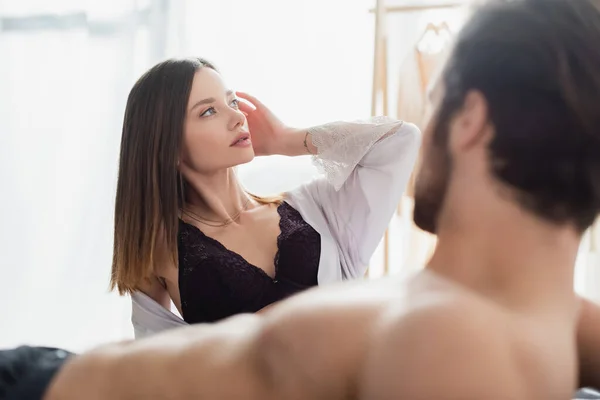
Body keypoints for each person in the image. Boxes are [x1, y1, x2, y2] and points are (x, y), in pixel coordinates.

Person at [4, 0, 600, 398]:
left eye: (437, 93)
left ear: (470, 119)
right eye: (210, 109)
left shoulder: (438, 334)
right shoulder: (555, 316)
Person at [110, 57, 421, 337]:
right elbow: (158, 369)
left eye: (232, 102)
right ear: (165, 143)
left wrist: (285, 139)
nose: (237, 118)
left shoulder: (315, 208)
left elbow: (401, 139)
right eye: (208, 111)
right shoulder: (158, 251)